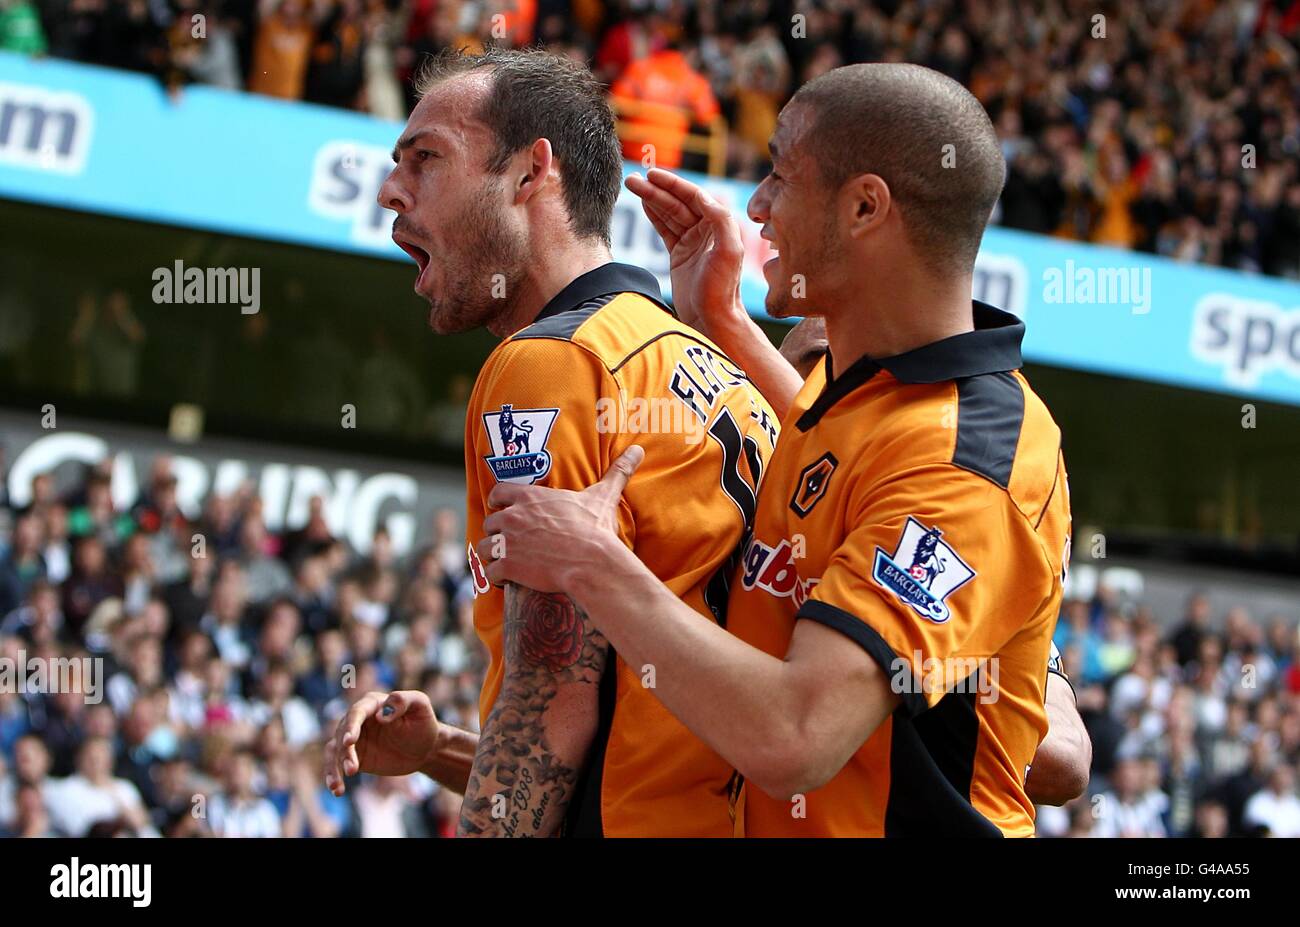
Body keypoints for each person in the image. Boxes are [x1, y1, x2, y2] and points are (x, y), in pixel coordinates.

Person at [476, 63, 1073, 836]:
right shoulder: (863, 398)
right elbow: (834, 445)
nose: (755, 206)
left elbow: (795, 738)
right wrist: (722, 320)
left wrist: (591, 562)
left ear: (864, 207)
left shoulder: (969, 465)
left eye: (781, 175)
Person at [324, 47, 778, 837]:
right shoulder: (707, 366)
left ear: (531, 174)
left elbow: (550, 709)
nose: (390, 189)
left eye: (426, 160)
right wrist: (440, 750)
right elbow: (631, 725)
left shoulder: (550, 360)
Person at [775, 317, 1089, 806]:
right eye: (813, 372)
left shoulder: (961, 483)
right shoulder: (770, 485)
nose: (834, 401)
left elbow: (1068, 762)